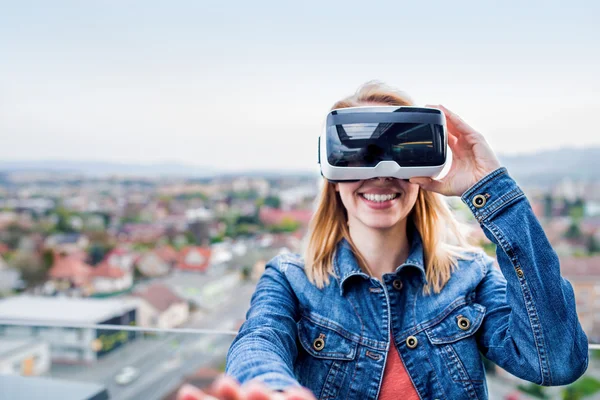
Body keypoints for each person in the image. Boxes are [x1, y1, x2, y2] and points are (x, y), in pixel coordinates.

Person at [178, 82, 588, 400]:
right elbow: (258, 343)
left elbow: (555, 361)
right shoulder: (290, 280)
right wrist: (274, 391)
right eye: (358, 154)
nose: (381, 173)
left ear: (424, 172)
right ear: (331, 176)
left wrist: (490, 188)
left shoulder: (470, 277)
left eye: (402, 152)